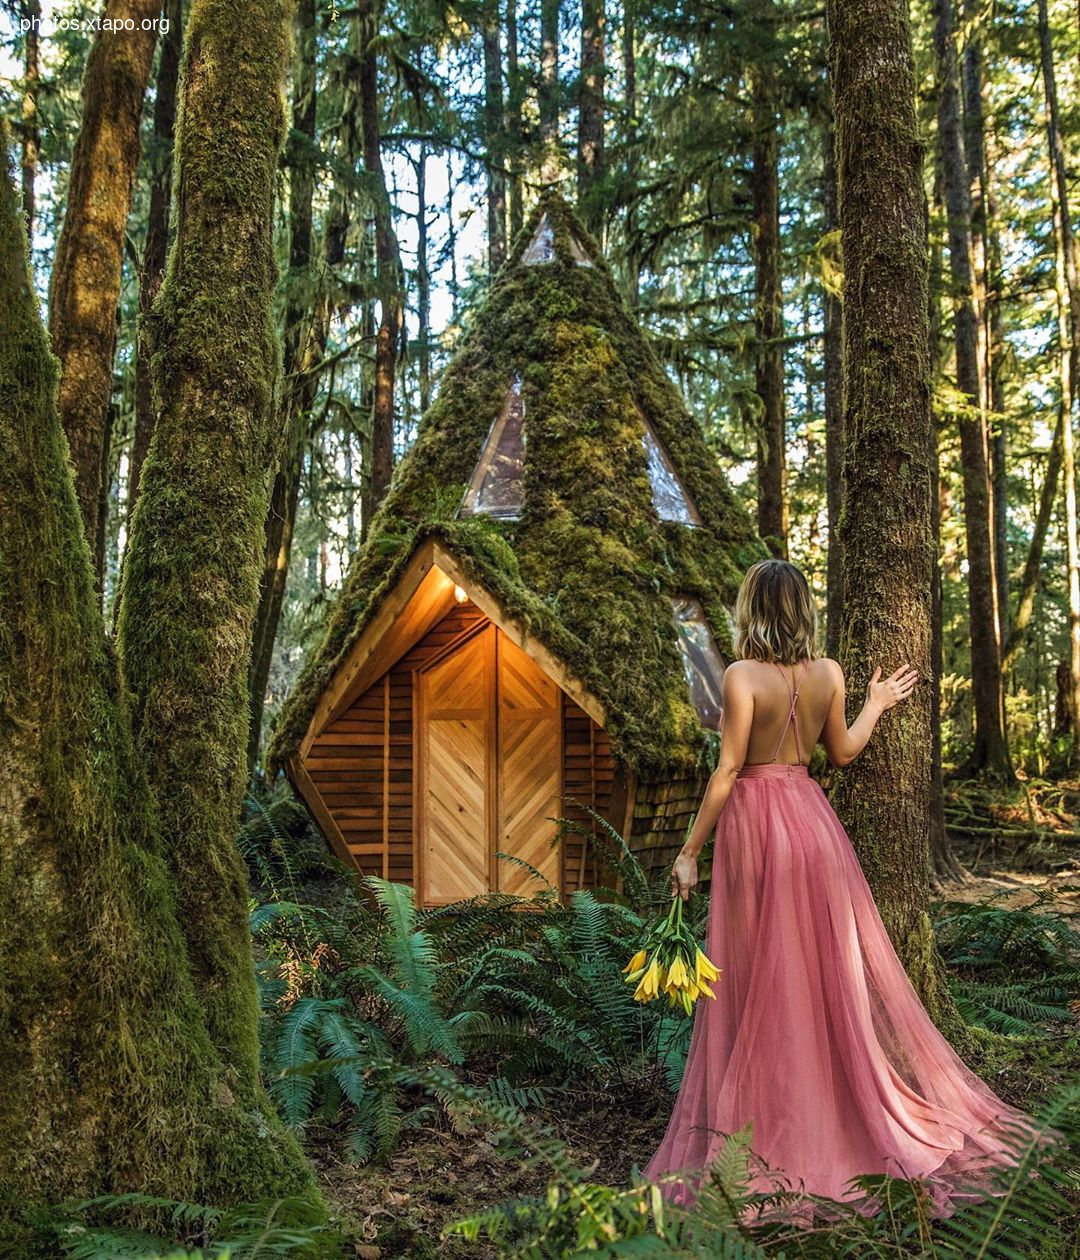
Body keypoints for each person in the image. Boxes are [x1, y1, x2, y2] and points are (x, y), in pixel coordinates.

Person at [643, 558, 1045, 1220]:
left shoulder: (742, 676)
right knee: (817, 971)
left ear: (751, 610)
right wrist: (876, 705)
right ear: (802, 611)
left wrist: (689, 853)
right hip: (812, 825)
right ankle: (825, 1100)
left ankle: (763, 1119)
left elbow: (727, 772)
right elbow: (844, 753)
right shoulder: (827, 673)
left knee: (752, 971)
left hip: (755, 830)